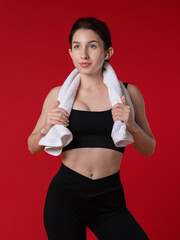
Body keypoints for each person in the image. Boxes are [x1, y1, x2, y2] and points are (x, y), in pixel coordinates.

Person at [27, 17, 155, 240]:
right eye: (77, 47)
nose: (83, 55)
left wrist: (132, 125)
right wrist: (47, 127)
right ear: (70, 53)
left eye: (92, 46)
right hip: (66, 196)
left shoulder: (128, 94)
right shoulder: (59, 96)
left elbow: (148, 149)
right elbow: (32, 146)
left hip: (109, 198)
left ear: (108, 52)